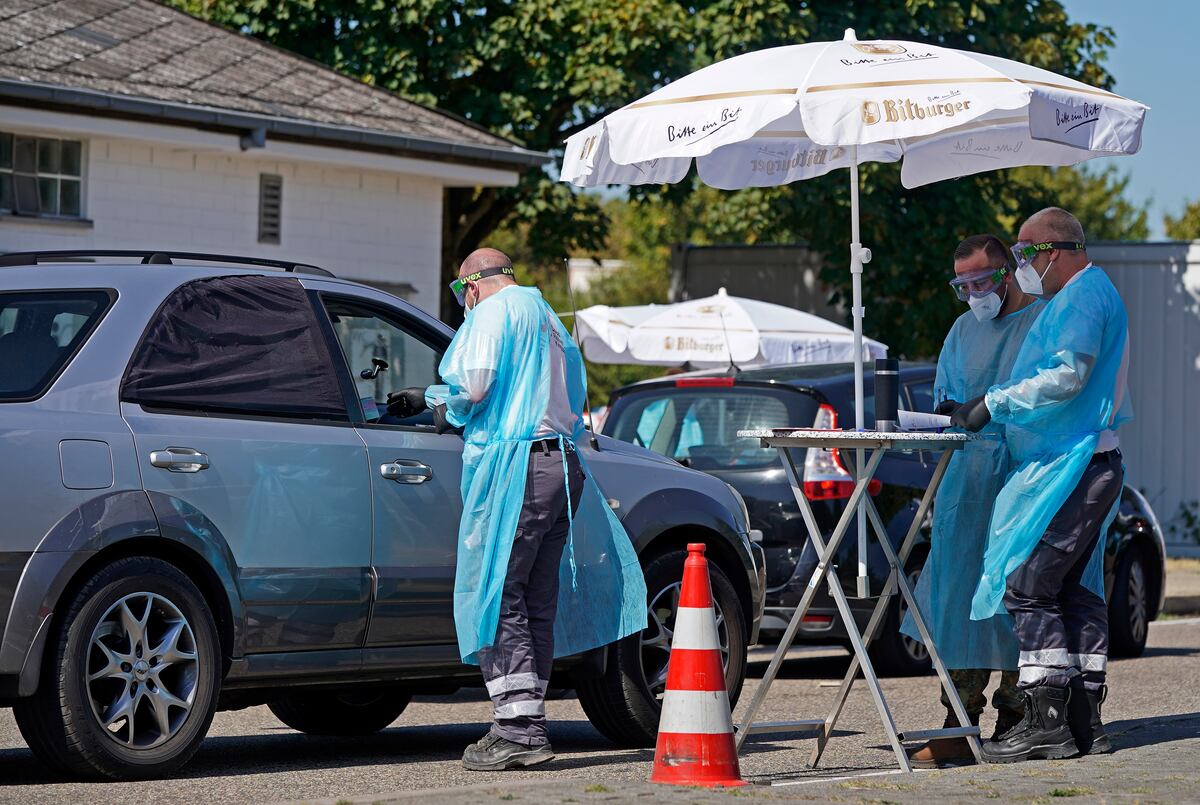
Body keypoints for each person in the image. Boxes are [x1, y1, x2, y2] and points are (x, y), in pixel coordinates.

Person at [386, 248, 647, 771]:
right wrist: (436, 395)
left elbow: (474, 386)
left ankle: (518, 731)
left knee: (499, 594)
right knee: (534, 599)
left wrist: (438, 403)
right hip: (560, 465)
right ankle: (525, 722)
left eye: (462, 294)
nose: (465, 303)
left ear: (472, 286)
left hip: (517, 467)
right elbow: (560, 394)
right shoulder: (546, 315)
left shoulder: (492, 313)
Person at [949, 208, 1130, 763]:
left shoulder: (1081, 297)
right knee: (1070, 591)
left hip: (1075, 464)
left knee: (1028, 585)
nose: (1022, 264)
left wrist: (994, 402)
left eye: (1026, 252)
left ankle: (1045, 721)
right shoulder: (1083, 295)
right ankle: (1082, 720)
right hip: (1079, 461)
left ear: (1056, 250)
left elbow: (1069, 375)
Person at [899, 234, 1042, 768]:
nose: (974, 294)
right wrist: (949, 410)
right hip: (967, 481)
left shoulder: (1041, 323)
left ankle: (1017, 716)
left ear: (1007, 273)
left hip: (1024, 477)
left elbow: (1046, 395)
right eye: (963, 285)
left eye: (982, 281)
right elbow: (946, 398)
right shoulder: (962, 330)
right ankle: (958, 720)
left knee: (1019, 598)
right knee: (961, 598)